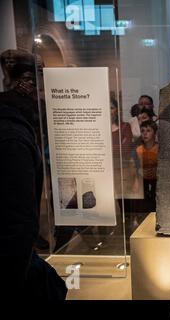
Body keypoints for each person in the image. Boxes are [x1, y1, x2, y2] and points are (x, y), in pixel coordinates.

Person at [0, 65, 67, 300]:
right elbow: (17, 221)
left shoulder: (15, 129)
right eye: (40, 87)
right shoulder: (12, 136)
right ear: (26, 85)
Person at [136, 121, 159, 213]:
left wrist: (158, 170)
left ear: (155, 133)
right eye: (142, 131)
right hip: (143, 182)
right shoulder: (138, 150)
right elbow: (134, 167)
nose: (145, 133)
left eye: (148, 130)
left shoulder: (160, 148)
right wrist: (139, 171)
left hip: (157, 182)